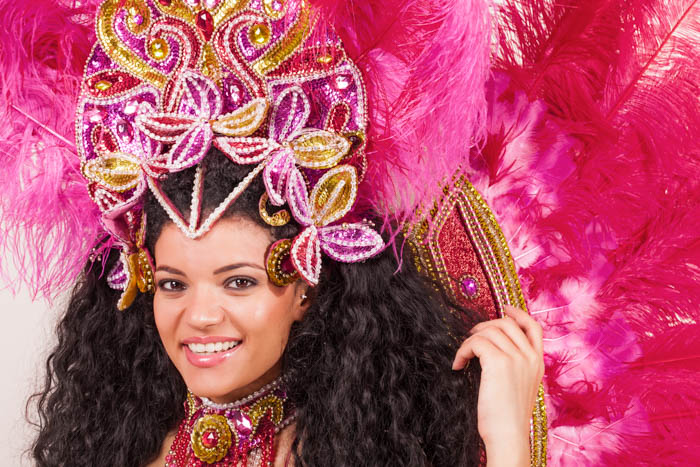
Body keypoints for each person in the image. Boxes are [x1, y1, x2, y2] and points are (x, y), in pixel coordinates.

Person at [2, 0, 699, 466]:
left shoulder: (351, 448)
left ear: (306, 288)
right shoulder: (112, 447)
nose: (199, 315)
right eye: (175, 282)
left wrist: (507, 440)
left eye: (240, 280)